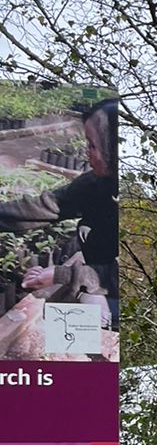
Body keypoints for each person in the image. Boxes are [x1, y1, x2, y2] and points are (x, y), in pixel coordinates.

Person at [0, 99, 119, 327]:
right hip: (97, 275)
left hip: (118, 288)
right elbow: (44, 206)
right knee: (64, 321)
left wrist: (62, 275)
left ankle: (98, 346)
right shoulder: (97, 184)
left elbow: (120, 275)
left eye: (92, 145)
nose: (86, 153)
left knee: (79, 323)